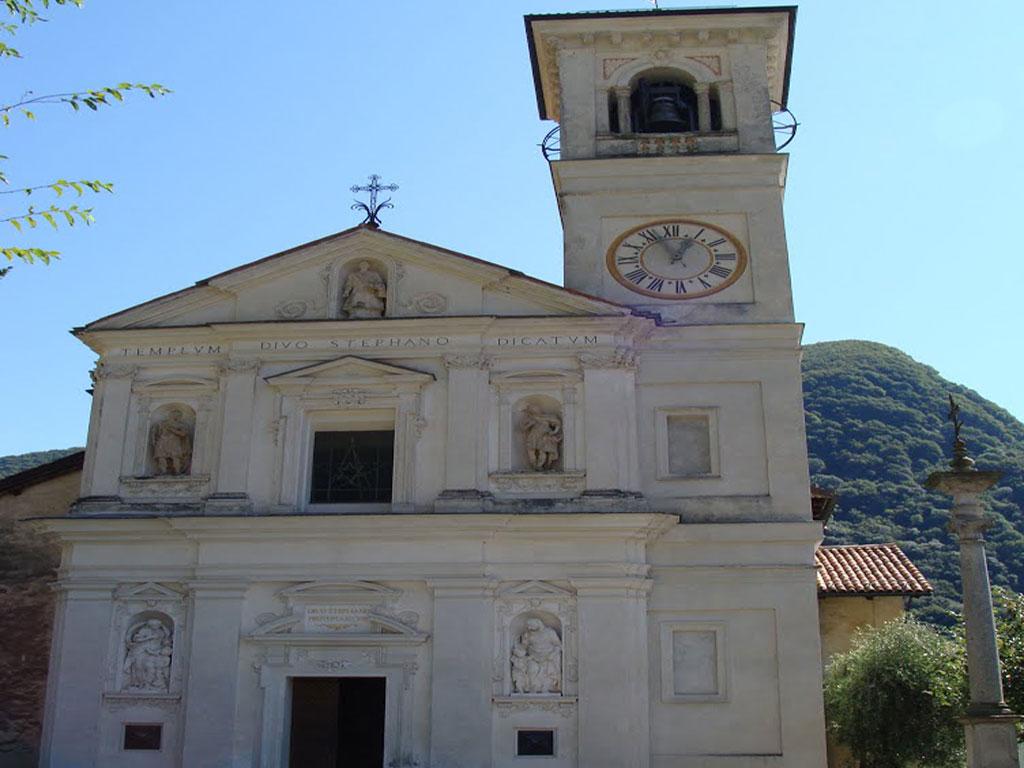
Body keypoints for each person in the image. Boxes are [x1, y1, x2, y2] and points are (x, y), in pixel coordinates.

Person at [124, 619, 172, 691]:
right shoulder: (144, 630)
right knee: (138, 666)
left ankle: (149, 684)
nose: (155, 627)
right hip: (142, 650)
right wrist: (150, 638)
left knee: (150, 667)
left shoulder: (161, 632)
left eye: (157, 625)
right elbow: (136, 639)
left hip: (155, 652)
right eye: (153, 625)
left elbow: (165, 642)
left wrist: (160, 651)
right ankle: (139, 683)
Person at [151, 408, 192, 475]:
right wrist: (154, 439)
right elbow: (156, 432)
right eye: (173, 414)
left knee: (176, 457)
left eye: (177, 415)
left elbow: (183, 434)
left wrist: (171, 429)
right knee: (161, 456)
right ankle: (163, 471)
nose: (175, 416)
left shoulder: (181, 425)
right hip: (162, 441)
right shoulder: (162, 423)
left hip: (174, 442)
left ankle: (177, 471)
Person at [520, 405, 562, 471]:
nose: (536, 411)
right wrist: (530, 424)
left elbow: (557, 424)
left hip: (544, 436)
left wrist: (554, 432)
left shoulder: (548, 417)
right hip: (533, 436)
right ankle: (534, 465)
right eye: (533, 410)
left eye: (536, 409)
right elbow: (523, 429)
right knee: (531, 451)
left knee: (543, 451)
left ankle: (540, 465)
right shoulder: (531, 418)